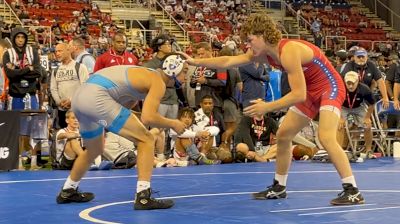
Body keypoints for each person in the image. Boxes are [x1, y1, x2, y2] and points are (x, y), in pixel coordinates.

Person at [181, 13, 364, 205]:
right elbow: (228, 62)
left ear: (262, 36)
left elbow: (298, 95)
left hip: (330, 87)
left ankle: (352, 190)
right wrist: (197, 62)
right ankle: (279, 187)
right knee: (284, 135)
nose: (248, 46)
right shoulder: (265, 53)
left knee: (326, 137)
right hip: (310, 90)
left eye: (250, 40)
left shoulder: (289, 51)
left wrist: (266, 106)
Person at [56, 56, 187, 210]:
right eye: (184, 71)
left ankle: (68, 190)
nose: (186, 76)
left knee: (94, 150)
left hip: (80, 98)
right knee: (146, 139)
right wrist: (174, 123)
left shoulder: (143, 76)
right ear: (173, 69)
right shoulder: (157, 80)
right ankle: (143, 197)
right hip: (96, 97)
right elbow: (148, 117)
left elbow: (129, 111)